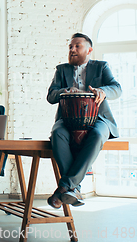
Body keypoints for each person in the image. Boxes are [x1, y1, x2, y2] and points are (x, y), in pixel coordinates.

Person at [47, 33, 121, 209]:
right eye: (70, 47)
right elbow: (51, 96)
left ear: (89, 50)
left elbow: (116, 88)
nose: (72, 50)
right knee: (57, 133)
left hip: (98, 118)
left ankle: (65, 187)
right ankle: (74, 188)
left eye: (77, 46)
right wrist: (66, 90)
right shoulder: (61, 69)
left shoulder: (101, 67)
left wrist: (103, 91)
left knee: (96, 135)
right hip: (67, 118)